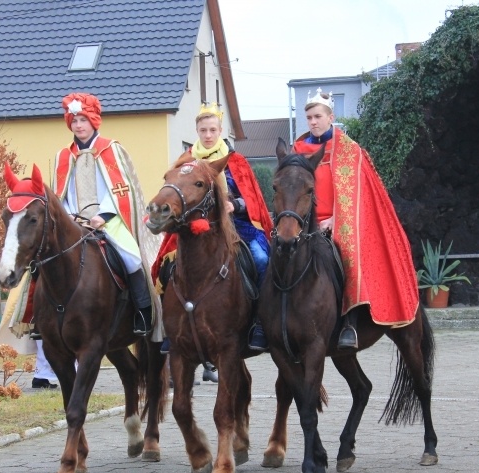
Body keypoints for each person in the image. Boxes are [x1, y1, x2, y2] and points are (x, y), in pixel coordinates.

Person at [152, 102, 274, 382]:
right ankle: (172, 329)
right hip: (192, 227)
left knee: (261, 258)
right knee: (164, 267)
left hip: (237, 226)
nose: (208, 135)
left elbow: (253, 200)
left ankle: (259, 323)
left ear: (220, 131)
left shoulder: (236, 162)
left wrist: (234, 205)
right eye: (203, 130)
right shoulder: (185, 161)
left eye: (212, 130)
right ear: (197, 131)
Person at [293, 89, 419, 348]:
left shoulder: (350, 151)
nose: (313, 122)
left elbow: (359, 197)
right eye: (309, 118)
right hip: (304, 225)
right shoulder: (297, 152)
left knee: (348, 255)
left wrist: (334, 220)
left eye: (318, 116)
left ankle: (349, 322)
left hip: (341, 223)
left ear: (331, 117)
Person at [53, 92, 160, 338]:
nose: (79, 126)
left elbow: (122, 188)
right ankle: (41, 317)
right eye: (74, 121)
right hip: (74, 220)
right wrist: (68, 216)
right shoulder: (64, 156)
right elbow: (62, 192)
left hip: (108, 218)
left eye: (83, 120)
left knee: (131, 257)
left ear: (93, 121)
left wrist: (103, 215)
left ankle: (143, 311)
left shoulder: (112, 149)